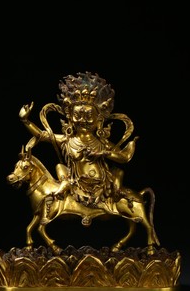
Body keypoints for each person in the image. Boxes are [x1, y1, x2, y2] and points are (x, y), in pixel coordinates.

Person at [18, 72, 140, 212]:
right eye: (77, 115)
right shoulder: (67, 140)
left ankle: (118, 198)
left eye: (89, 116)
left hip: (102, 185)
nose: (83, 121)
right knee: (60, 167)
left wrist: (104, 153)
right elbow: (41, 135)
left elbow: (124, 158)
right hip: (75, 184)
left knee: (118, 175)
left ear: (99, 120)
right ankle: (64, 190)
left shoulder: (102, 143)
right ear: (70, 118)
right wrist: (25, 120)